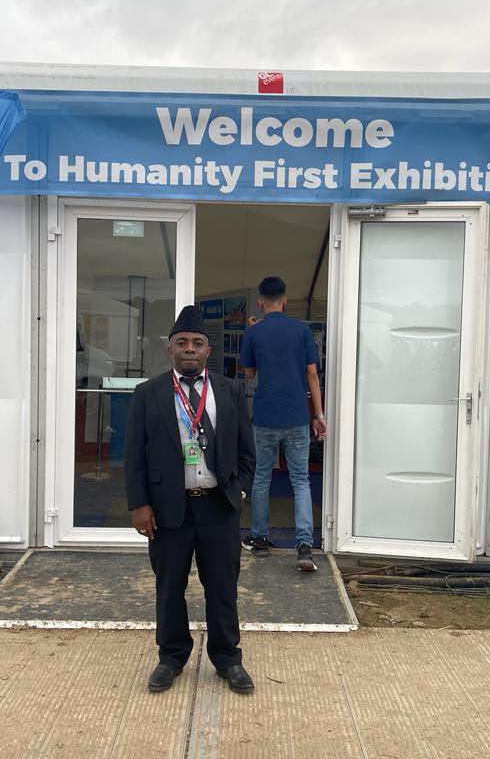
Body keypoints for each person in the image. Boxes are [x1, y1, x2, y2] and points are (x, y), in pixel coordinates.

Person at [125, 305, 257, 695]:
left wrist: (241, 490)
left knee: (222, 587)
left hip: (218, 507)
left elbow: (247, 450)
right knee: (169, 586)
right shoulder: (148, 393)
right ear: (170, 349)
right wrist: (139, 504)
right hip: (168, 510)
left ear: (207, 351)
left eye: (197, 343)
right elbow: (134, 454)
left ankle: (227, 658)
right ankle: (171, 656)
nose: (190, 349)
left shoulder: (231, 390)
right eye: (182, 342)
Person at [240, 276, 327, 572]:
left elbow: (249, 373)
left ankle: (259, 537)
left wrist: (253, 334)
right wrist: (319, 415)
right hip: (296, 415)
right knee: (300, 480)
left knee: (262, 477)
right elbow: (312, 374)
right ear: (285, 300)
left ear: (261, 302)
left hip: (265, 414)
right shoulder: (302, 331)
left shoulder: (254, 332)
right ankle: (304, 546)